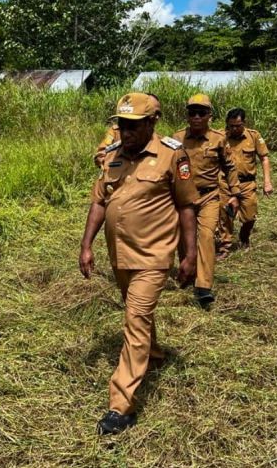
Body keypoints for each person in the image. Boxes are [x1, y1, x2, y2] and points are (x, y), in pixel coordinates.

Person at [79, 92, 198, 435]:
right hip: (121, 255)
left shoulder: (173, 156)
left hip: (153, 256)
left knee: (135, 317)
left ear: (151, 123)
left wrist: (189, 255)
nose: (126, 132)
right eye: (122, 125)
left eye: (133, 126)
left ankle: (121, 406)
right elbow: (100, 202)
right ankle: (155, 352)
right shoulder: (113, 156)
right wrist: (86, 244)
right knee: (137, 312)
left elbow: (187, 206)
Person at [171, 94, 240, 308]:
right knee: (183, 238)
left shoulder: (218, 139)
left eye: (202, 112)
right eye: (193, 112)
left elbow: (229, 167)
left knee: (207, 236)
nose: (197, 117)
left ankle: (203, 286)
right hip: (182, 198)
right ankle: (187, 272)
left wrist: (235, 194)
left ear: (210, 115)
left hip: (209, 196)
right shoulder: (177, 138)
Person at [216, 108, 273, 259]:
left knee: (249, 217)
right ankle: (224, 247)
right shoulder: (220, 137)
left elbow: (264, 158)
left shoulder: (253, 136)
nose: (234, 129)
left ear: (244, 123)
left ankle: (244, 237)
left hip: (247, 183)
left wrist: (267, 182)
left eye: (238, 125)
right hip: (225, 183)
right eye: (231, 125)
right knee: (225, 216)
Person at [94, 94, 161, 167]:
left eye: (157, 113)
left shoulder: (165, 151)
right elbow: (101, 153)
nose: (125, 134)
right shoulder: (115, 132)